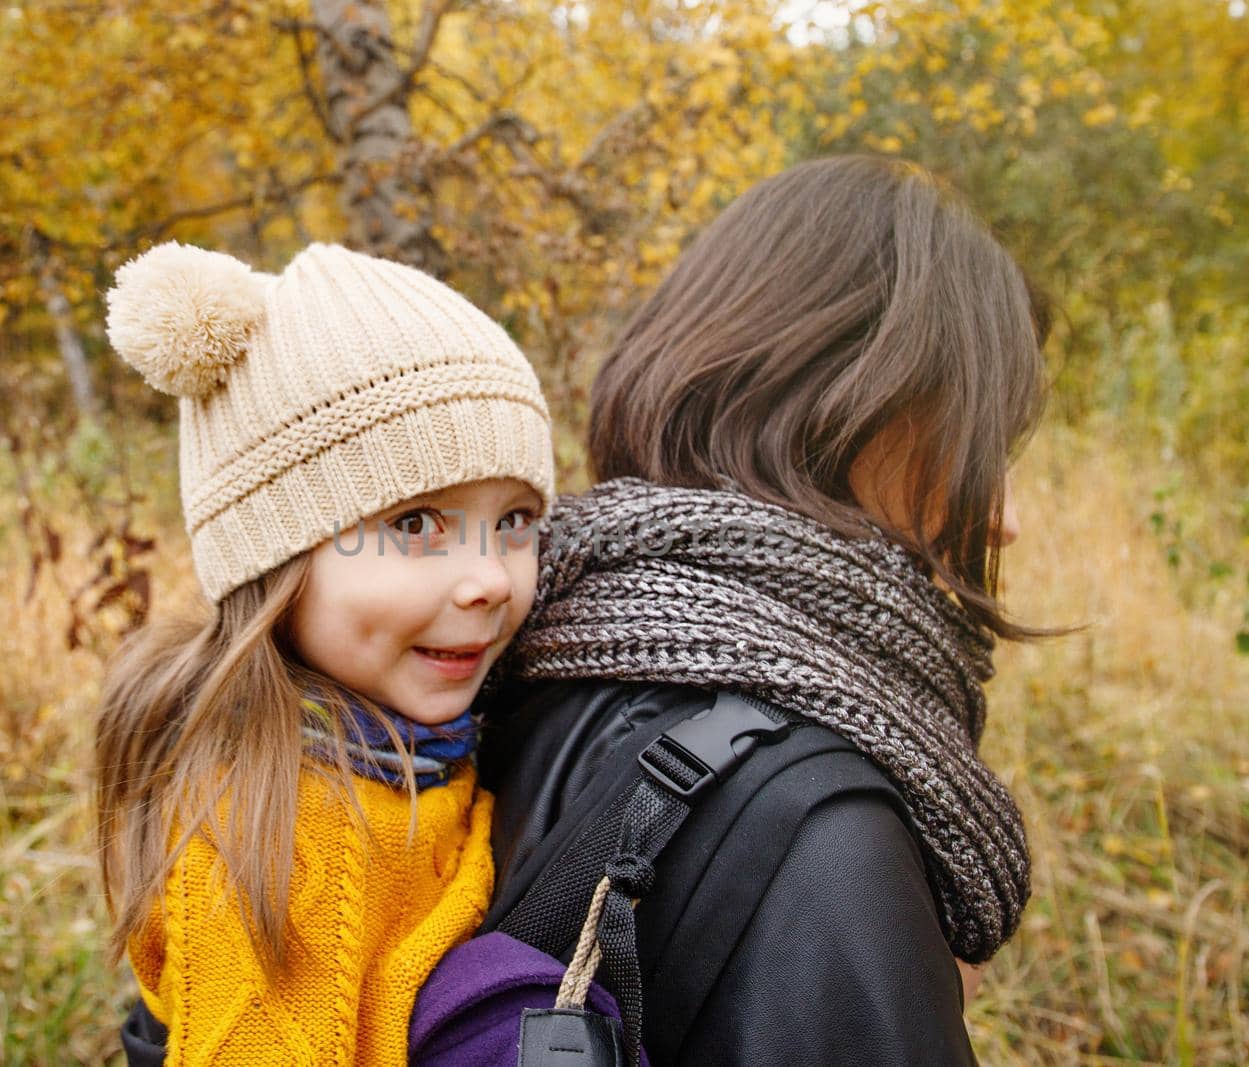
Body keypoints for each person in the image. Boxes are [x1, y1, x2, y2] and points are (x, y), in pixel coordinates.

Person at [477, 155, 1050, 1064]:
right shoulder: (818, 834)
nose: (1006, 520)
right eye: (978, 444)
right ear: (857, 406)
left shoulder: (529, 647)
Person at [94, 240, 556, 1065]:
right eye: (416, 523)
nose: (490, 577)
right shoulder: (277, 840)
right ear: (273, 559)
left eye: (516, 519)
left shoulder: (410, 741)